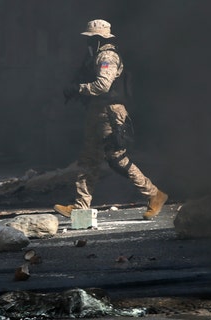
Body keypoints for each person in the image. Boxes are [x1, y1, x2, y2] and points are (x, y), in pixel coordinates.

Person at [54, 19, 168, 220]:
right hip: (97, 112)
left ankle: (154, 194)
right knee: (89, 159)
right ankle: (80, 206)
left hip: (110, 112)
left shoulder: (108, 56)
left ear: (99, 38)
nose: (88, 43)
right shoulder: (96, 56)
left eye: (92, 38)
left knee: (117, 158)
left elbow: (103, 86)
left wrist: (78, 88)